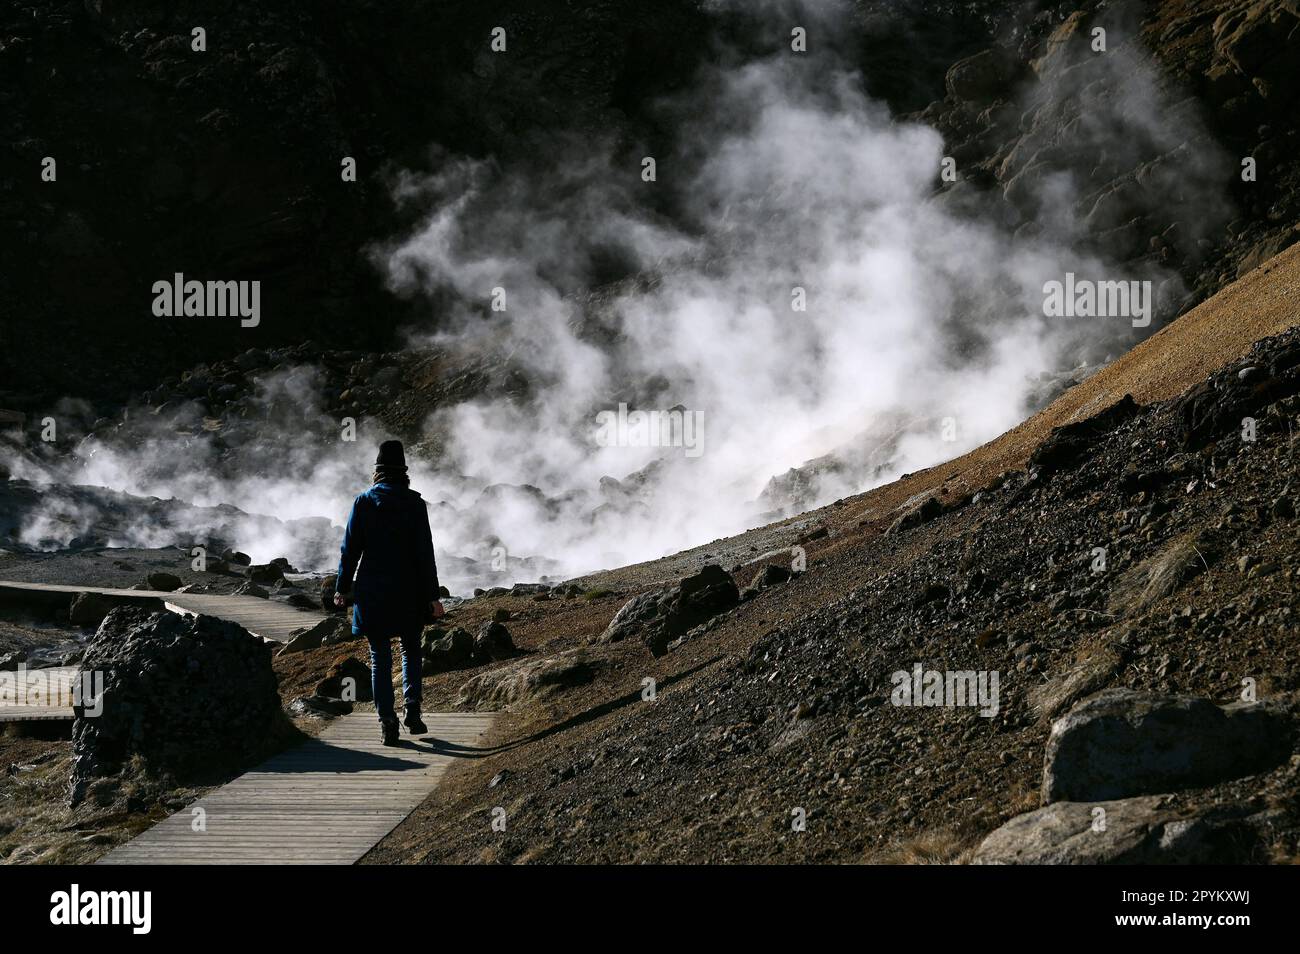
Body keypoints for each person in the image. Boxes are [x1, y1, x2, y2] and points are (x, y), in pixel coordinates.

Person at [334, 440, 444, 745]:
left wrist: (342, 588)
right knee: (411, 651)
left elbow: (350, 551)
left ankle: (387, 722)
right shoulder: (415, 504)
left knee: (379, 657)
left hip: (373, 593)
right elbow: (425, 553)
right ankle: (413, 709)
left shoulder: (363, 503)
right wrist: (433, 596)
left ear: (377, 472)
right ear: (403, 472)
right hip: (409, 591)